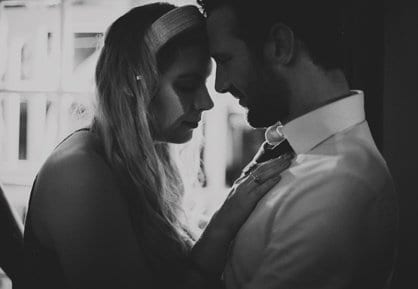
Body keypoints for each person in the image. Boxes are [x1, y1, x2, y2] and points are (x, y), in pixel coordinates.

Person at [20, 3, 292, 288]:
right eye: (187, 85)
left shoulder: (144, 156)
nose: (206, 102)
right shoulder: (77, 173)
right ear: (133, 85)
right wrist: (222, 226)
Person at [197, 0, 400, 288]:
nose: (220, 84)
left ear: (280, 46)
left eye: (226, 60)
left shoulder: (336, 186)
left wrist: (212, 241)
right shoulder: (292, 147)